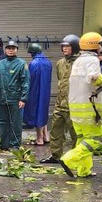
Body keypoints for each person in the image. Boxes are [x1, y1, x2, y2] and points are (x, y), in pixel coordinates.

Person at [60, 32, 102, 177]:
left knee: (83, 139)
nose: (100, 47)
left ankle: (84, 171)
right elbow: (94, 77)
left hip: (75, 107)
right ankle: (69, 159)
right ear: (95, 46)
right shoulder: (92, 60)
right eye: (100, 44)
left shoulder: (78, 60)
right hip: (88, 107)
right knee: (95, 140)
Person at [41, 35, 80, 164]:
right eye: (63, 46)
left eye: (67, 46)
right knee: (56, 132)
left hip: (74, 105)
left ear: (74, 47)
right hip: (60, 104)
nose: (64, 49)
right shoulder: (60, 63)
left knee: (76, 134)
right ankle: (55, 155)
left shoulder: (80, 63)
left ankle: (77, 157)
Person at [0, 40, 30, 150]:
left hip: (15, 98)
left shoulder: (21, 64)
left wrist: (23, 98)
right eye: (9, 48)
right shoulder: (0, 63)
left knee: (16, 123)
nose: (11, 50)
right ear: (5, 49)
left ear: (17, 50)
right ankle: (4, 143)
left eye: (13, 48)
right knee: (2, 122)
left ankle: (15, 145)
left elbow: (26, 82)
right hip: (1, 98)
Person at [24, 43, 53, 146]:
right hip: (45, 91)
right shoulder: (48, 62)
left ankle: (39, 139)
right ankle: (46, 136)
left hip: (35, 91)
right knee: (43, 112)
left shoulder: (34, 63)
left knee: (36, 114)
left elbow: (29, 79)